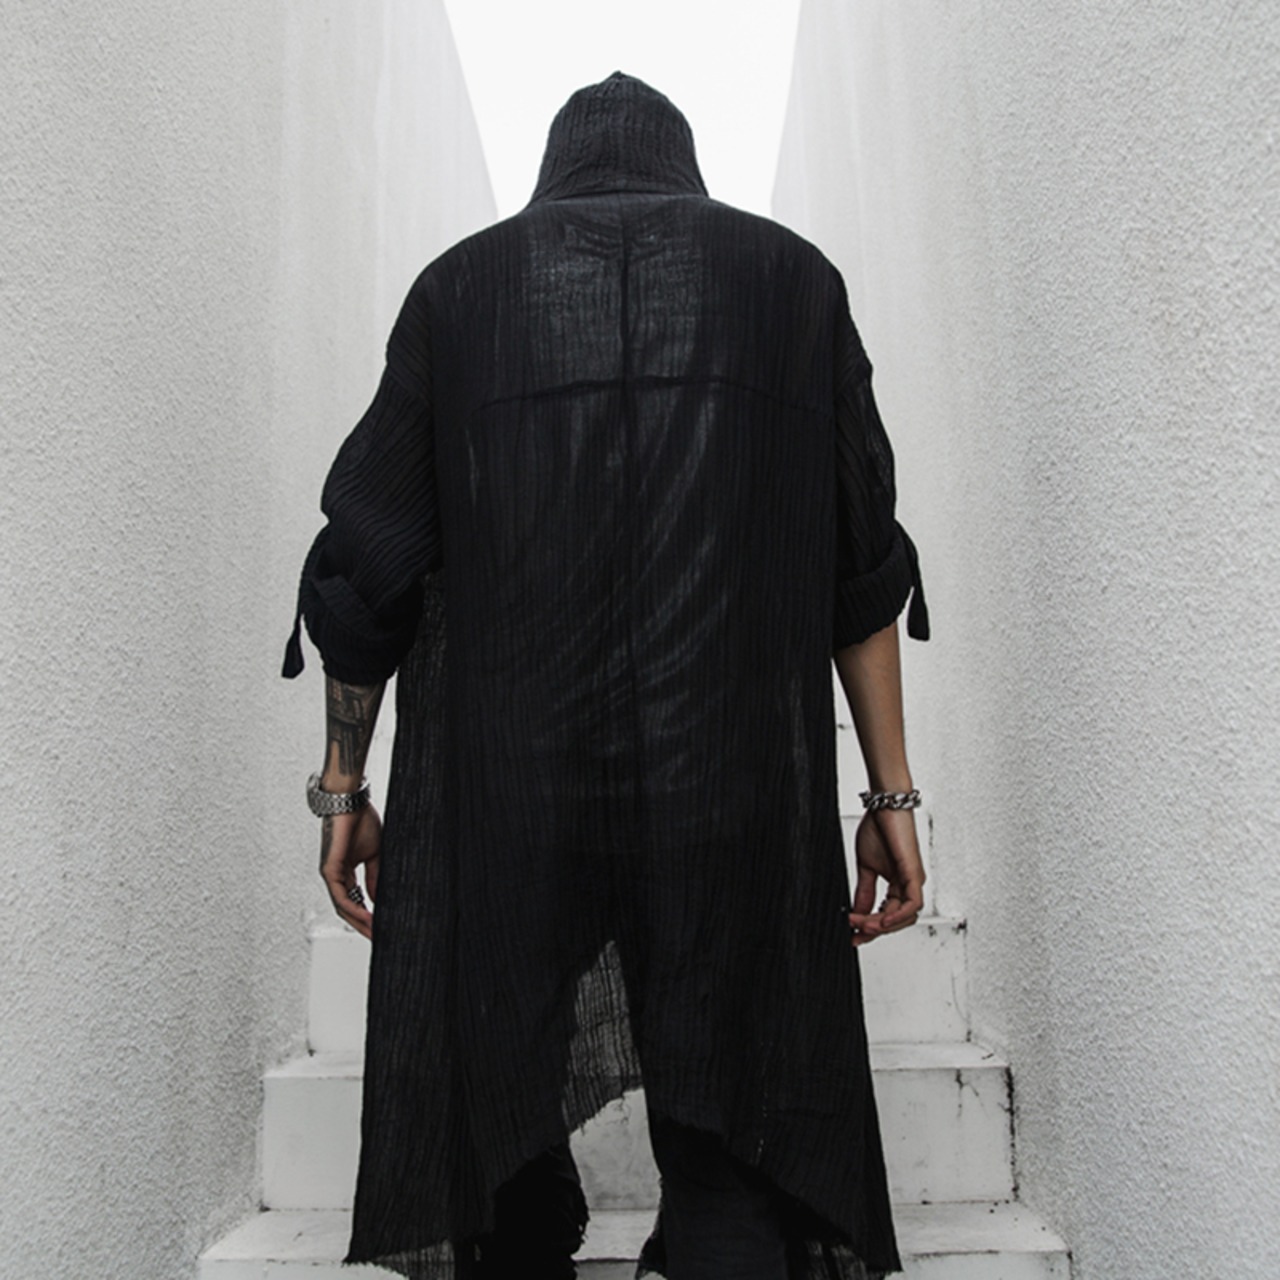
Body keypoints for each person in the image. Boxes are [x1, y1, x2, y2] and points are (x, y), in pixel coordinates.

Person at [283, 70, 929, 1280]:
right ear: (683, 163)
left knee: (501, 1039)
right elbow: (859, 565)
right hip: (724, 763)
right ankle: (718, 1241)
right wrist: (889, 795)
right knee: (732, 1064)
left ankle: (524, 1233)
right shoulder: (792, 283)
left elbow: (369, 566)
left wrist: (343, 786)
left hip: (513, 770)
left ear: (554, 168)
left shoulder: (456, 291)